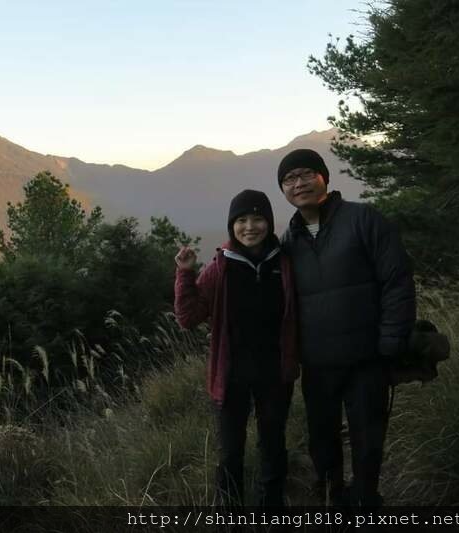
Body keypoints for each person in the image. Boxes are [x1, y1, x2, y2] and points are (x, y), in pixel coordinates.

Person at [275, 148, 416, 507]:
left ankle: (366, 502)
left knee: (368, 440)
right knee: (322, 440)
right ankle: (333, 501)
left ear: (324, 177)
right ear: (283, 191)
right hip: (318, 364)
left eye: (306, 174)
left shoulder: (364, 219)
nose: (298, 183)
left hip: (366, 358)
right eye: (289, 179)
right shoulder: (289, 242)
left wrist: (391, 340)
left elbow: (396, 280)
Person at [174, 189, 299, 507]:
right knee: (230, 452)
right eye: (241, 220)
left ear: (269, 223)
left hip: (275, 373)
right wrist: (185, 273)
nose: (250, 227)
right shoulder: (221, 266)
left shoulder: (283, 263)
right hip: (231, 376)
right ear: (232, 225)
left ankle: (272, 513)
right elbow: (188, 317)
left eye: (257, 219)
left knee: (273, 445)